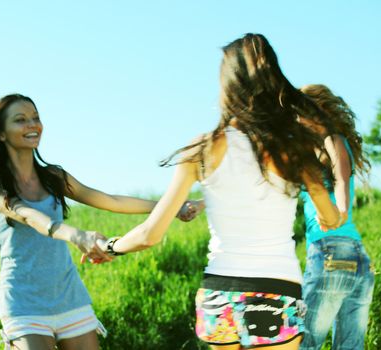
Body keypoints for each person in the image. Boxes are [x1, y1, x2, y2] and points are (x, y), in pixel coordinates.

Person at [98, 34, 342, 350]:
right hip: (278, 288)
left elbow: (150, 234)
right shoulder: (295, 148)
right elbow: (331, 218)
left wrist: (111, 246)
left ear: (227, 85)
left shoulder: (203, 148)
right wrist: (329, 217)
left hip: (221, 291)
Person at [0, 94, 198, 350]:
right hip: (24, 304)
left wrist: (172, 207)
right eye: (21, 120)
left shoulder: (53, 177)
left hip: (70, 299)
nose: (32, 125)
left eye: (36, 118)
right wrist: (76, 235)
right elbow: (25, 214)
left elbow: (111, 201)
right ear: (1, 134)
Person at [297, 84, 374, 350]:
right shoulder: (313, 152)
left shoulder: (332, 140)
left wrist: (339, 212)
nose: (294, 118)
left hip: (331, 253)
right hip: (358, 260)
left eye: (299, 111)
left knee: (305, 344)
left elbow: (342, 180)